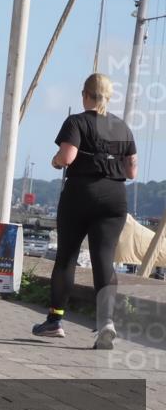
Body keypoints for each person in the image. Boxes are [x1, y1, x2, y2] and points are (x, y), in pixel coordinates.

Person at [32, 73, 137, 349]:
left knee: (66, 256)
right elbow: (132, 170)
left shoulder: (76, 121)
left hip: (81, 194)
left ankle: (55, 321)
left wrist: (56, 161)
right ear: (108, 96)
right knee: (104, 260)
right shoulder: (123, 127)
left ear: (86, 94)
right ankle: (106, 323)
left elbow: (68, 157)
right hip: (115, 197)